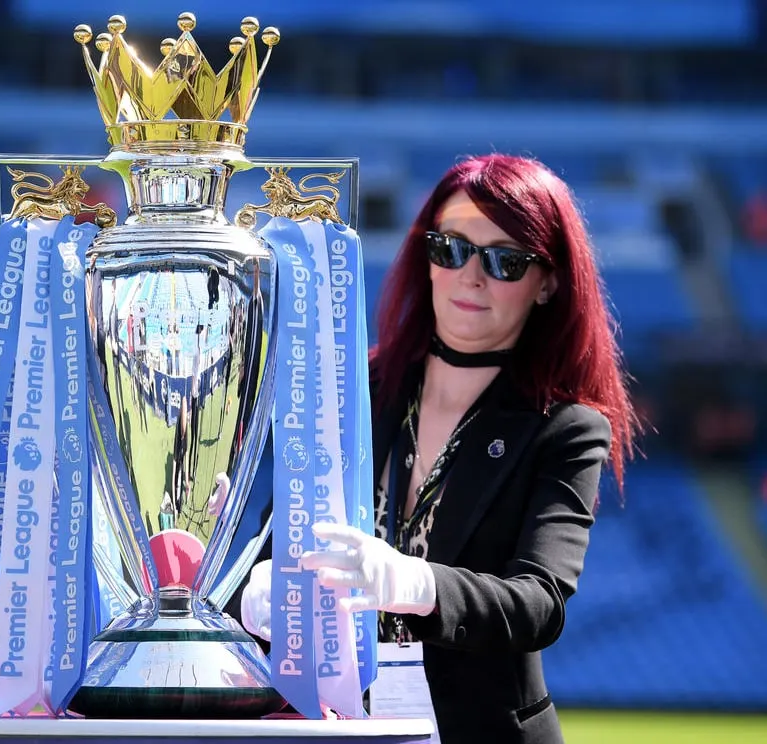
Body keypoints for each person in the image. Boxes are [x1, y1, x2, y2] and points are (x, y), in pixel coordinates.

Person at [237, 154, 641, 744]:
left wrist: (417, 583)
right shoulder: (350, 389)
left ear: (548, 282)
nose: (470, 276)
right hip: (340, 728)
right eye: (449, 248)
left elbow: (540, 602)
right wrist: (248, 577)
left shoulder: (567, 429)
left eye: (505, 260)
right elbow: (282, 551)